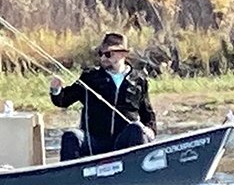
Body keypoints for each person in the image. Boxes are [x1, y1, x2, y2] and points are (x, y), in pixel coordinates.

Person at [49, 32, 156, 161]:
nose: (103, 58)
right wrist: (56, 89)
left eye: (108, 54)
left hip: (122, 143)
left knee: (137, 129)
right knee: (71, 136)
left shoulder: (139, 80)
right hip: (95, 142)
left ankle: (137, 170)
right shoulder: (90, 77)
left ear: (122, 54)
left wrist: (150, 130)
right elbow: (63, 100)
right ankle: (68, 177)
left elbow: (147, 113)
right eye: (101, 54)